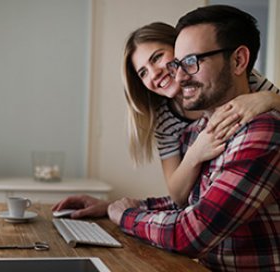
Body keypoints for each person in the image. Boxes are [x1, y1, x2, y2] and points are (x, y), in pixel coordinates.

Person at [107, 5, 280, 270]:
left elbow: (192, 230)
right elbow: (187, 198)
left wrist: (127, 216)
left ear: (238, 61)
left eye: (191, 61)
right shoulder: (190, 126)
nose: (177, 75)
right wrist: (115, 207)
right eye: (179, 64)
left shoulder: (261, 125)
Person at [53, 20, 280, 217]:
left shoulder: (236, 77)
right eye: (142, 72)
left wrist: (267, 99)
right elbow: (178, 194)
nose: (154, 73)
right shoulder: (166, 119)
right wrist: (196, 151)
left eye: (157, 58)